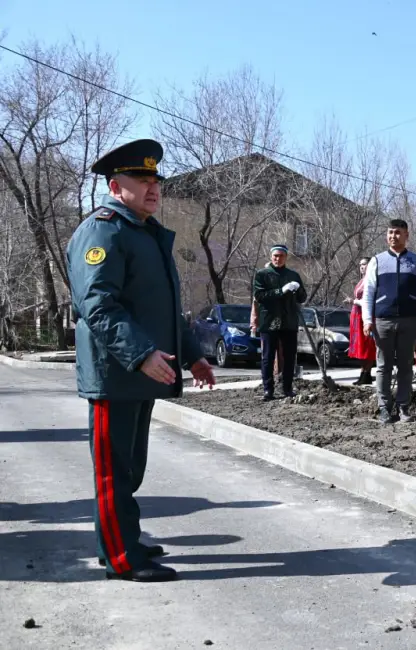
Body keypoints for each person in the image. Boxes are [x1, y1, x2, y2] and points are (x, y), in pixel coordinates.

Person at [67, 138, 216, 582]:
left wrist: (193, 357)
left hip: (141, 372)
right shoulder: (103, 231)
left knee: (130, 467)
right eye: (142, 179)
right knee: (114, 470)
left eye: (156, 180)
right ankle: (120, 558)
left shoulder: (143, 233)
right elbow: (97, 304)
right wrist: (140, 354)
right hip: (116, 373)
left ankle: (123, 537)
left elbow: (164, 308)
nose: (153, 188)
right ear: (116, 186)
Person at [362, 219, 416, 424]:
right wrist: (368, 320)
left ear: (407, 235)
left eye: (398, 233)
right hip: (382, 320)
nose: (394, 236)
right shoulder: (377, 260)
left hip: (409, 320)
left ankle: (403, 406)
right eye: (391, 232)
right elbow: (369, 293)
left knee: (405, 366)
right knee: (383, 365)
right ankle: (384, 407)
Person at [253, 245, 307, 401]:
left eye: (281, 256)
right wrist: (281, 291)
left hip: (289, 321)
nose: (278, 259)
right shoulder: (262, 274)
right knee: (267, 357)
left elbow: (302, 298)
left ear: (286, 257)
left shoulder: (293, 275)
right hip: (269, 321)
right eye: (275, 256)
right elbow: (260, 295)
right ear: (271, 257)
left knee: (290, 356)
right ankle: (268, 390)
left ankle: (287, 388)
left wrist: (298, 290)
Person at [347, 257, 376, 386]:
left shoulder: (372, 280)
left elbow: (368, 301)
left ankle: (367, 373)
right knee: (360, 346)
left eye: (364, 264)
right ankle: (363, 373)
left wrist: (353, 301)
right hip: (357, 316)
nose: (362, 267)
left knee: (367, 345)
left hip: (365, 315)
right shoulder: (362, 280)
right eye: (360, 265)